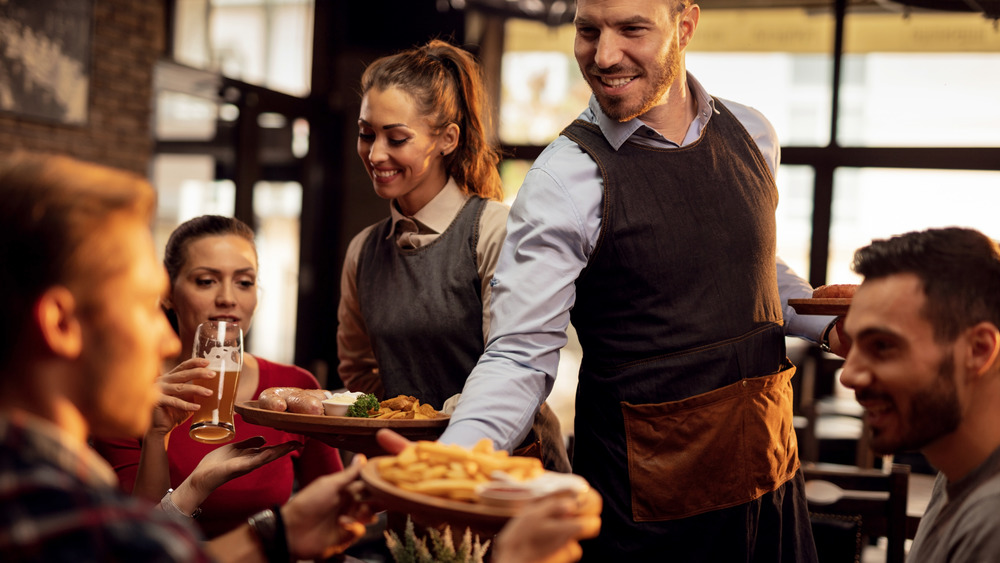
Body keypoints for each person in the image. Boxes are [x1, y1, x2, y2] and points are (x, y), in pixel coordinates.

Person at [439, 1, 848, 560]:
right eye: (588, 31)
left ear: (685, 26)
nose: (604, 55)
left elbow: (753, 272)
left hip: (770, 486)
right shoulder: (564, 177)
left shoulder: (753, 133)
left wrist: (834, 325)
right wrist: (449, 466)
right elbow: (519, 354)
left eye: (631, 29)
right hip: (649, 514)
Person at [0, 152, 373, 562]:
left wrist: (276, 535)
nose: (164, 339)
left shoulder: (54, 481)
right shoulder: (53, 512)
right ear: (60, 324)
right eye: (144, 304)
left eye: (244, 281)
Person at [337, 39, 570, 472]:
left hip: (508, 467)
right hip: (412, 468)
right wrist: (403, 427)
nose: (375, 153)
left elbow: (517, 368)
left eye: (397, 138)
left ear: (447, 139)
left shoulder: (493, 230)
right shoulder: (363, 251)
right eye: (366, 134)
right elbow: (359, 371)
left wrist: (439, 429)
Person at [92, 215, 344, 538]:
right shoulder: (124, 393)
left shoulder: (295, 386)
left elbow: (335, 512)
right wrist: (155, 435)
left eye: (244, 282)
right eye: (206, 281)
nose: (228, 298)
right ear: (167, 292)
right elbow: (133, 541)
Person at [838, 227, 1000, 562]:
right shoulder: (957, 471)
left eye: (882, 345)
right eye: (853, 345)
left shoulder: (992, 522)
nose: (849, 375)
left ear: (978, 350)